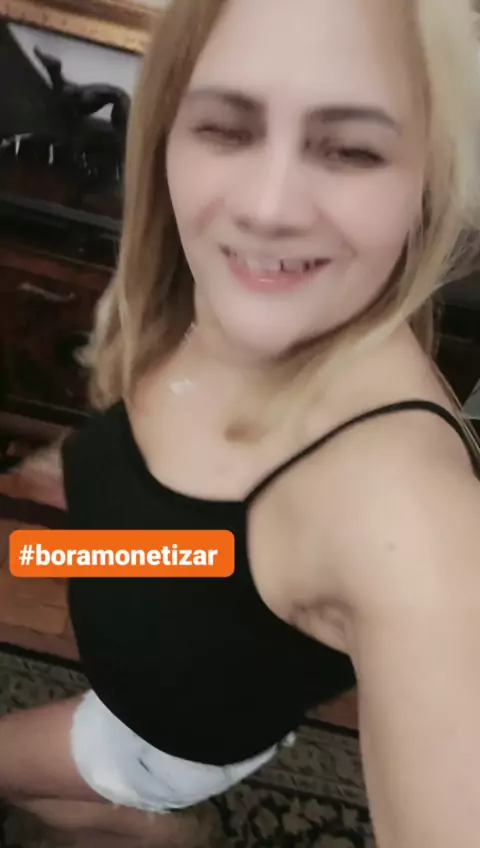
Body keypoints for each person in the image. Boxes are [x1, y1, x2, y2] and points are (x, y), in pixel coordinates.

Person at [1, 0, 480, 845]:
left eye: (351, 148)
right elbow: (199, 541)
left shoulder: (409, 515)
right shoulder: (211, 288)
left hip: (155, 739)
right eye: (225, 129)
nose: (267, 207)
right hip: (172, 598)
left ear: (429, 176)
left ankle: (158, 827)